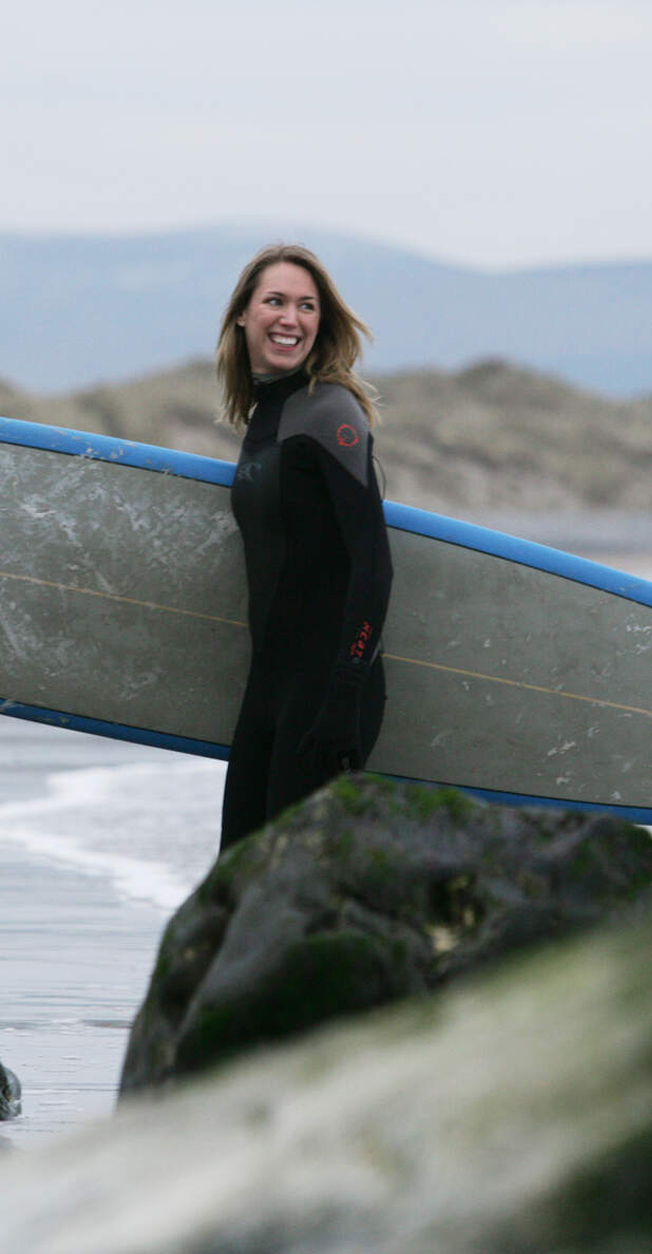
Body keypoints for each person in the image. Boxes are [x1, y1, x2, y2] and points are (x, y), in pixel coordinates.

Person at [216, 244, 393, 850]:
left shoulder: (329, 412)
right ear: (243, 314)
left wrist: (343, 696)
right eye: (276, 301)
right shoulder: (266, 416)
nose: (291, 318)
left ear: (322, 322)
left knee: (292, 892)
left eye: (306, 306)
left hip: (325, 694)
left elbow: (372, 562)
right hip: (270, 687)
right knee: (237, 879)